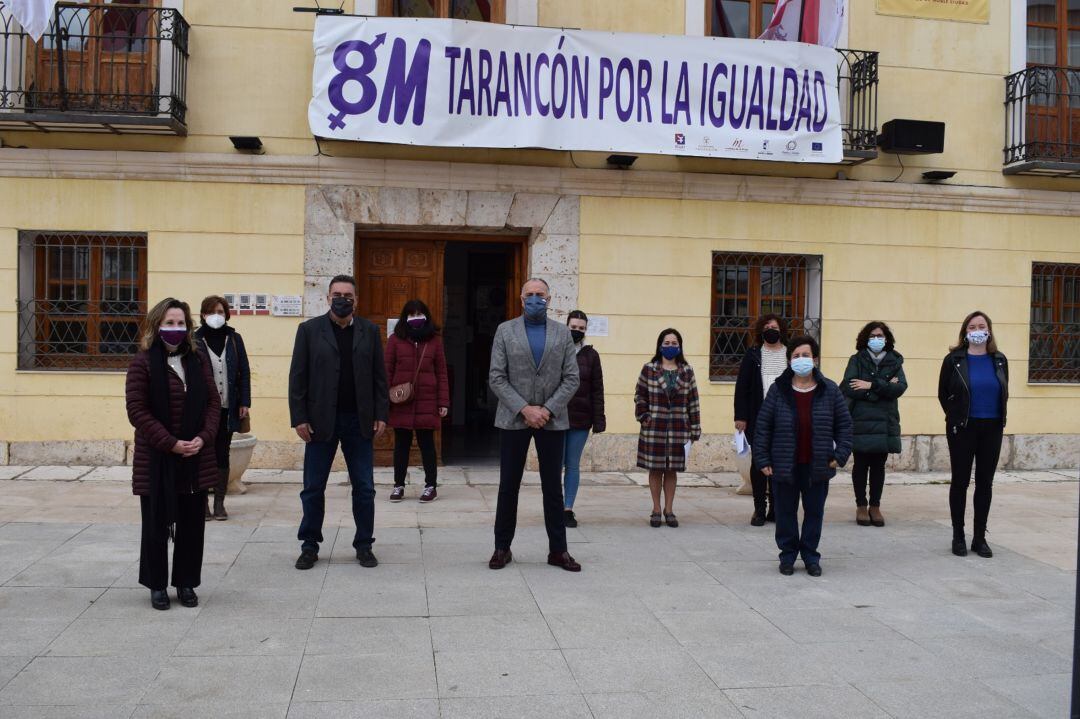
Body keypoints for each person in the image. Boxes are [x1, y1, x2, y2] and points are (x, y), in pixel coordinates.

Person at [125, 298, 221, 610]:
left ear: (189, 327)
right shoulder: (142, 362)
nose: (175, 329)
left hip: (195, 457)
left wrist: (203, 438)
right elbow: (137, 411)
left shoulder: (197, 360)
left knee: (193, 524)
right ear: (156, 325)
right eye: (169, 323)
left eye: (181, 323)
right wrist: (170, 443)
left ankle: (186, 583)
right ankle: (157, 585)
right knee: (156, 524)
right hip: (157, 459)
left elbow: (212, 403)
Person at [289, 275, 388, 571]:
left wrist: (381, 414)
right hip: (320, 422)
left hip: (360, 422)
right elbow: (298, 377)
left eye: (348, 295)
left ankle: (364, 545)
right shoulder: (308, 330)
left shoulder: (369, 331)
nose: (342, 299)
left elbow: (379, 377)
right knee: (313, 487)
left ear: (356, 300)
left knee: (365, 487)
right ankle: (309, 545)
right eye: (337, 294)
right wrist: (299, 418)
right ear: (327, 298)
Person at [488, 278, 582, 572]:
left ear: (549, 298)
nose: (534, 299)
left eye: (539, 295)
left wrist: (547, 409)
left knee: (552, 487)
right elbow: (497, 376)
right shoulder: (505, 331)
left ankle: (558, 551)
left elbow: (571, 378)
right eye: (529, 294)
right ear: (520, 298)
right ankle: (502, 548)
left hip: (551, 420)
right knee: (509, 485)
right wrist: (525, 408)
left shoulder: (562, 334)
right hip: (514, 418)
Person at [754, 335, 852, 576]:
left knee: (814, 513)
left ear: (815, 359)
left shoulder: (830, 390)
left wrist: (839, 455)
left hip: (817, 464)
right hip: (784, 464)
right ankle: (787, 556)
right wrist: (763, 459)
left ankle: (810, 556)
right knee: (785, 513)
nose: (801, 360)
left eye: (805, 355)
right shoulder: (778, 390)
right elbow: (763, 426)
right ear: (789, 361)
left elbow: (845, 426)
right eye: (796, 356)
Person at [938, 310, 1008, 559]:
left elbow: (1002, 390)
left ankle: (980, 537)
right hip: (963, 427)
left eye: (981, 326)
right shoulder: (953, 360)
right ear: (965, 332)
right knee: (960, 481)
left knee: (985, 482)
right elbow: (943, 394)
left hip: (992, 427)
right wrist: (955, 417)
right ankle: (958, 535)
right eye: (972, 327)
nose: (977, 330)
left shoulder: (999, 359)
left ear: (989, 330)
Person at [841, 321, 907, 527]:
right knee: (860, 464)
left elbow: (901, 387)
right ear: (865, 339)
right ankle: (861, 505)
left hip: (885, 421)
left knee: (879, 465)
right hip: (861, 420)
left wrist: (870, 385)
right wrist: (882, 390)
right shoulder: (857, 359)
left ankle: (875, 506)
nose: (876, 339)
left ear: (886, 339)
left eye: (880, 335)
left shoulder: (895, 360)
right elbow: (849, 386)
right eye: (872, 336)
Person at [634, 328, 701, 529]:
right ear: (660, 345)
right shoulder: (649, 368)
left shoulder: (687, 371)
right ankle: (655, 509)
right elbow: (640, 395)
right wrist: (644, 417)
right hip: (654, 428)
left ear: (679, 346)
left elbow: (693, 401)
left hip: (679, 428)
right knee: (655, 469)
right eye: (667, 343)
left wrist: (695, 427)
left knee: (671, 471)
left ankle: (669, 510)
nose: (670, 346)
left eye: (674, 343)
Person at [385, 299, 449, 503]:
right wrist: (384, 402)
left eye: (419, 314)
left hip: (428, 400)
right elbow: (386, 371)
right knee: (401, 446)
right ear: (405, 317)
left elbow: (442, 373)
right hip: (401, 401)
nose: (415, 318)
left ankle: (431, 485)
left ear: (426, 316)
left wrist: (443, 402)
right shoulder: (395, 340)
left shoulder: (434, 341)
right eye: (411, 314)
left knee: (427, 445)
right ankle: (398, 485)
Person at [194, 295, 251, 521]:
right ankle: (202, 505)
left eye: (219, 311)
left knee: (222, 453)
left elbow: (244, 371)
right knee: (201, 454)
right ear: (202, 315)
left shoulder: (234, 339)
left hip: (228, 407)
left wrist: (245, 402)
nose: (215, 316)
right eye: (210, 312)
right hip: (201, 410)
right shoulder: (194, 339)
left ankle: (219, 504)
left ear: (226, 314)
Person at [733, 314, 789, 526]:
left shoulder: (790, 354)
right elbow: (742, 388)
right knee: (759, 463)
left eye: (774, 326)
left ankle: (776, 508)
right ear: (761, 331)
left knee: (780, 464)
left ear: (781, 330)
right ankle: (759, 509)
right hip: (759, 417)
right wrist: (741, 416)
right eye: (767, 326)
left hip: (785, 418)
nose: (771, 329)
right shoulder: (753, 355)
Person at [562, 310, 606, 528]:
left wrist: (599, 420)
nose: (576, 331)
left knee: (572, 465)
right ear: (566, 326)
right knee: (553, 466)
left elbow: (598, 389)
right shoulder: (556, 350)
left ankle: (567, 508)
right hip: (556, 418)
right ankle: (553, 506)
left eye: (581, 328)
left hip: (581, 419)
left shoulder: (591, 356)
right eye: (573, 327)